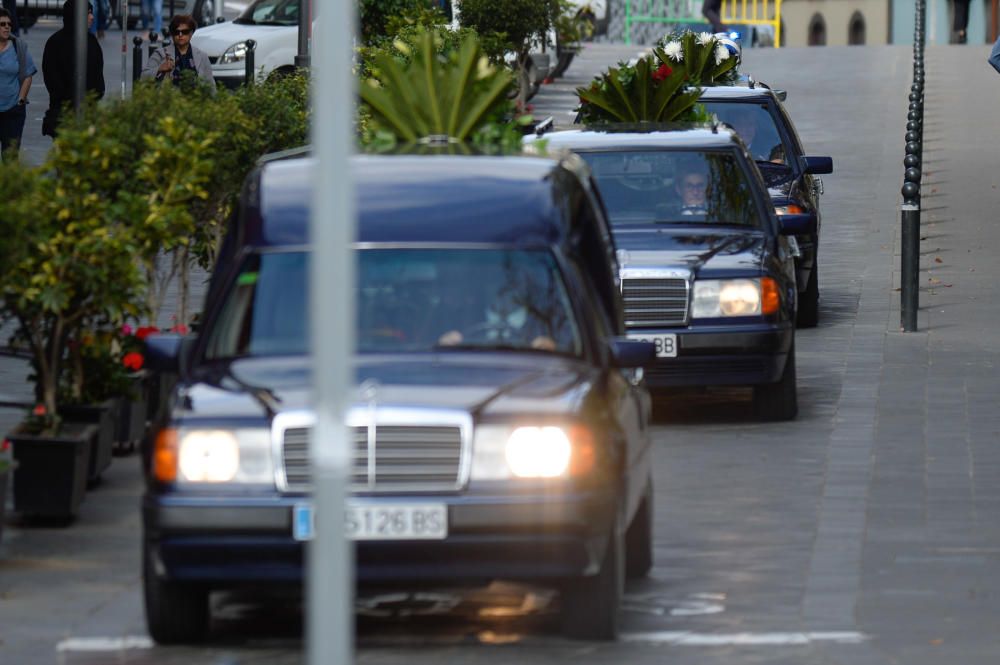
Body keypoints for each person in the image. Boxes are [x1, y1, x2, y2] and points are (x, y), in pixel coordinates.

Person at [41, 0, 105, 137]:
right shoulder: (55, 43)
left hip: (89, 114)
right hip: (63, 115)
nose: (92, 17)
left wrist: (93, 98)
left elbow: (98, 75)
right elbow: (52, 79)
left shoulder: (92, 42)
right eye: (88, 13)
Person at [141, 15, 216, 92]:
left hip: (196, 100)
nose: (180, 35)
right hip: (169, 100)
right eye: (176, 32)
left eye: (185, 32)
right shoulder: (160, 54)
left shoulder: (202, 56)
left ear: (191, 33)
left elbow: (211, 85)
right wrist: (160, 69)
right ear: (172, 34)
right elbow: (143, 77)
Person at [0, 7, 35, 160]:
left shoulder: (17, 46)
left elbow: (28, 74)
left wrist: (21, 99)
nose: (7, 27)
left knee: (10, 158)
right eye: (2, 24)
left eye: (9, 24)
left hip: (12, 112)